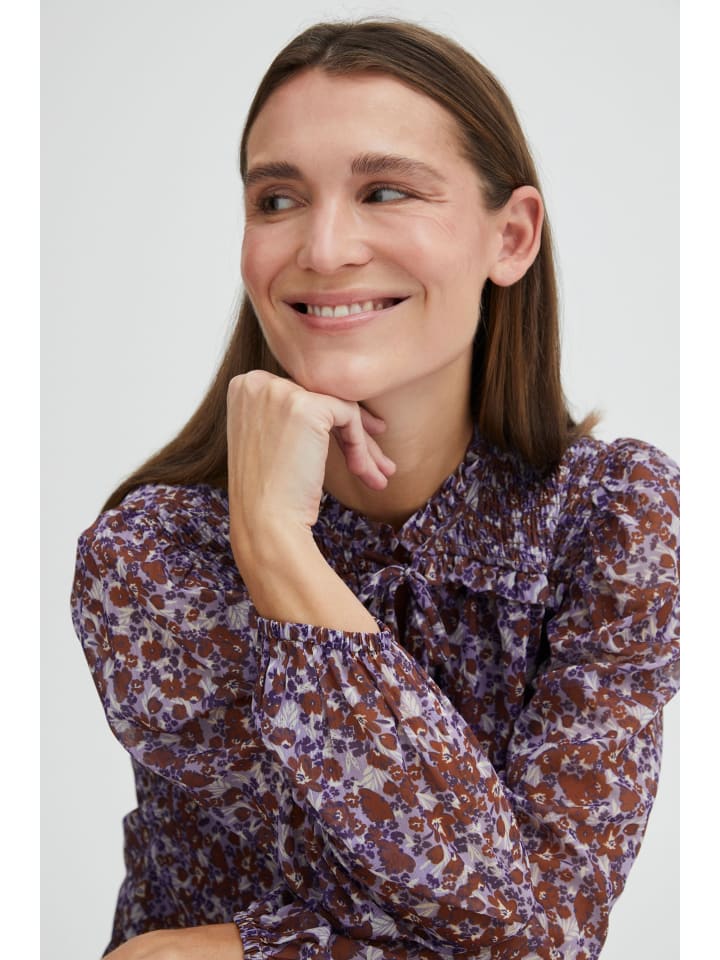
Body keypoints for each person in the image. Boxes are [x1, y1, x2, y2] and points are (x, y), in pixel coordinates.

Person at [70, 18, 679, 960]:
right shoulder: (153, 559)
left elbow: (536, 941)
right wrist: (270, 539)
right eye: (277, 199)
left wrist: (238, 951)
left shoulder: (616, 517)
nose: (323, 248)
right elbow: (479, 920)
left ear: (511, 237)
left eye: (385, 191)